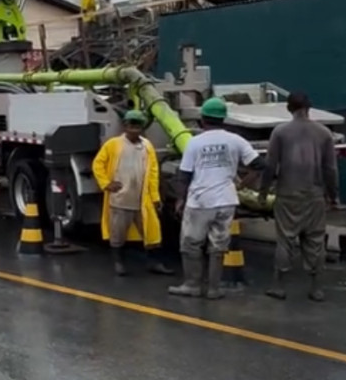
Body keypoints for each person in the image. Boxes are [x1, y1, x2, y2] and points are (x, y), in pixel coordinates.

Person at [168, 98, 265, 300]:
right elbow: (259, 164)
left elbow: (184, 175)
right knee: (218, 245)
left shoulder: (195, 143)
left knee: (191, 243)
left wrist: (180, 200)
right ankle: (213, 289)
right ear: (224, 119)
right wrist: (243, 184)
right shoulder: (236, 140)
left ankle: (192, 285)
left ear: (203, 119)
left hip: (201, 201)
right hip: (227, 200)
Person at [259, 92, 338, 302]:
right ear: (309, 107)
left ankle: (278, 286)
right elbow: (330, 169)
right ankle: (316, 288)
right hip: (314, 194)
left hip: (287, 194)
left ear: (288, 108)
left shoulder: (281, 132)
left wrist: (263, 193)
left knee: (285, 240)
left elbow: (270, 166)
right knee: (315, 241)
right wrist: (333, 196)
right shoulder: (324, 133)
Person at [92, 110, 172, 276]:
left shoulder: (147, 146)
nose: (134, 129)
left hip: (143, 199)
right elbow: (98, 164)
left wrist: (155, 197)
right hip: (121, 199)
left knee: (151, 232)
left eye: (138, 125)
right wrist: (106, 184)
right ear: (125, 126)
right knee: (118, 232)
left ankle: (154, 262)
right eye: (131, 125)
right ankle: (118, 262)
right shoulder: (113, 144)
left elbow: (153, 173)